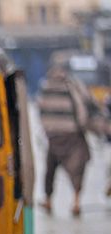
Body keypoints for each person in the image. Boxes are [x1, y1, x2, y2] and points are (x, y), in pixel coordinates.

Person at [39, 61, 96, 217]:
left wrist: (47, 130)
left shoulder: (45, 87)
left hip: (53, 135)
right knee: (78, 169)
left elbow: (41, 111)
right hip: (72, 135)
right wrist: (84, 126)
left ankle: (48, 200)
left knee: (50, 169)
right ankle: (76, 202)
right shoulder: (73, 85)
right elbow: (83, 107)